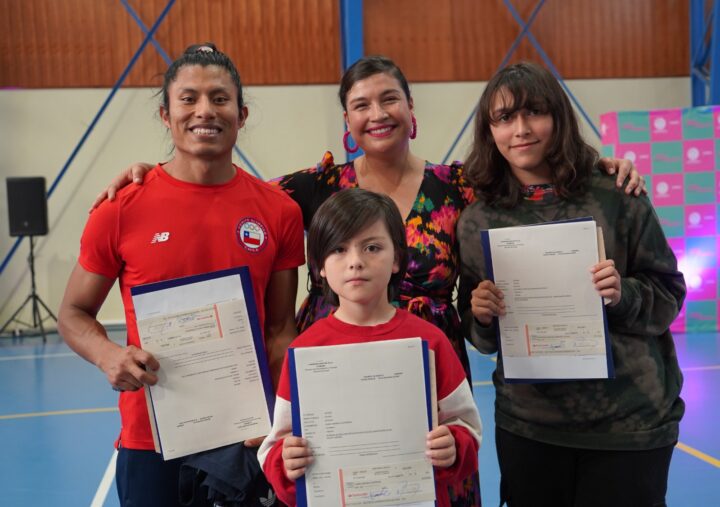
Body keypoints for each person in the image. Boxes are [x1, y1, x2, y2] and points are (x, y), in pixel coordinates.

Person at [89, 55, 645, 505]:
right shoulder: (310, 188)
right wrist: (153, 176)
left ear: (410, 109)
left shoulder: (460, 186)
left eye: (389, 99)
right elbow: (222, 189)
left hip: (429, 368)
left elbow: (526, 172)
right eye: (361, 104)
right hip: (333, 370)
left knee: (436, 480)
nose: (377, 113)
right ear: (348, 122)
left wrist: (597, 165)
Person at [57, 43, 305, 507]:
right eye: (188, 98)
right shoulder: (120, 208)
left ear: (242, 114)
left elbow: (279, 331)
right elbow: (73, 313)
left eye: (220, 98)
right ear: (165, 115)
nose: (204, 110)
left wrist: (280, 417)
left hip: (247, 434)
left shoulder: (279, 211)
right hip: (150, 439)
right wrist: (108, 355)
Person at [457, 62, 686, 507]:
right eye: (504, 117)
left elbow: (669, 293)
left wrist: (622, 294)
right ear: (489, 130)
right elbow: (481, 334)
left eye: (534, 112)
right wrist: (481, 315)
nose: (521, 129)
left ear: (558, 117)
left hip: (629, 425)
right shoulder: (477, 220)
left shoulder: (616, 194)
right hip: (530, 428)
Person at [257, 188, 483, 507]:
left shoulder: (429, 341)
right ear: (320, 266)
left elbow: (467, 427)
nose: (356, 262)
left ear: (397, 259)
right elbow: (276, 446)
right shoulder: (305, 351)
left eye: (372, 247)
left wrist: (453, 447)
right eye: (338, 249)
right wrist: (286, 463)